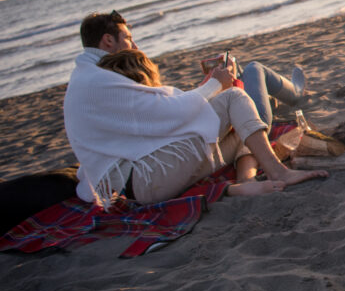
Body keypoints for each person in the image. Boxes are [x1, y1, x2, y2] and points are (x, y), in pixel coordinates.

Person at [63, 12, 326, 206]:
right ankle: (279, 169)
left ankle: (246, 182)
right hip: (144, 180)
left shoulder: (89, 77)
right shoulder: (98, 81)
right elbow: (169, 112)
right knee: (235, 97)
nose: (135, 46)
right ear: (108, 41)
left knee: (240, 131)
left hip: (140, 180)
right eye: (129, 39)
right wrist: (214, 84)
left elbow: (157, 114)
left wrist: (209, 87)